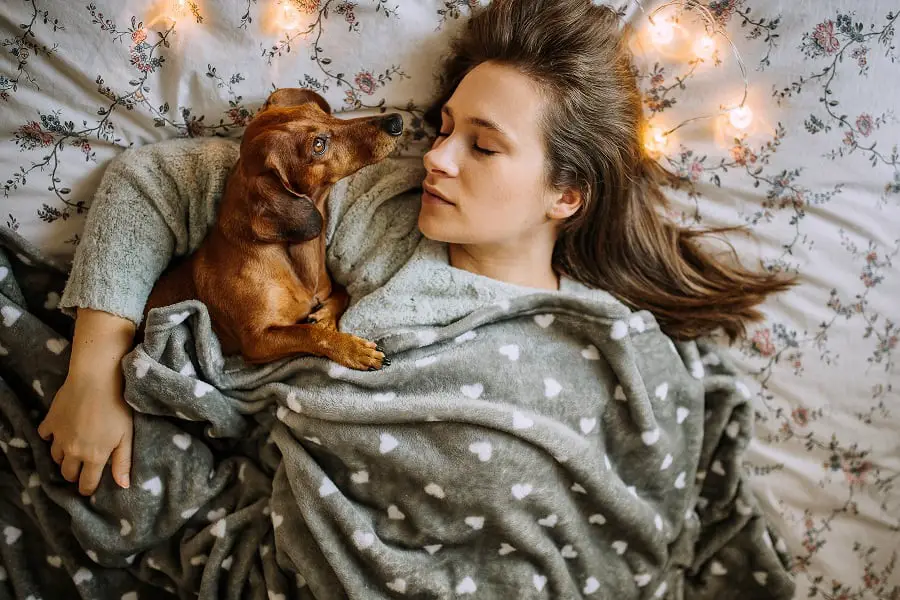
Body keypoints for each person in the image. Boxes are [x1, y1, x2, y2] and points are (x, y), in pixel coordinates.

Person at [43, 0, 789, 509]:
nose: (438, 158)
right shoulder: (387, 209)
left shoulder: (604, 336)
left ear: (566, 195)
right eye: (444, 127)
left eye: (483, 145)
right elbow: (152, 180)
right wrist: (92, 375)